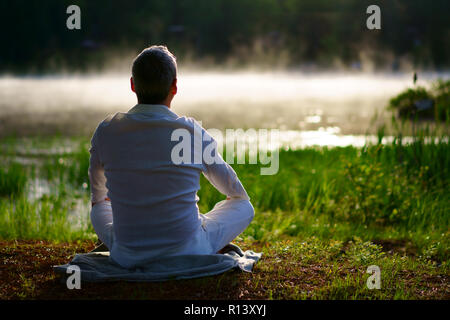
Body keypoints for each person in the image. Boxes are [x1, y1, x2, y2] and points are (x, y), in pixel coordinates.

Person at [88, 45, 254, 269]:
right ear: (174, 87)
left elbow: (98, 197)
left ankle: (134, 239)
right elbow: (235, 192)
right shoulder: (190, 132)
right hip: (190, 249)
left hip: (127, 253)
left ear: (132, 84)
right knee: (244, 206)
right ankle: (196, 233)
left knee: (99, 205)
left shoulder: (107, 130)